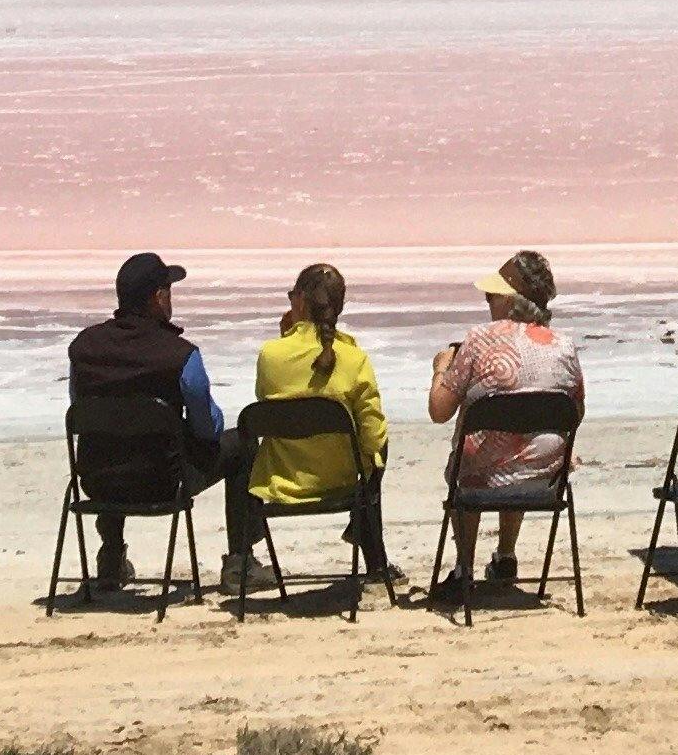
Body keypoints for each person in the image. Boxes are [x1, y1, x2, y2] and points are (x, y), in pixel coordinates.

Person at [222, 261, 395, 600]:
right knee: (378, 446)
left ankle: (242, 555)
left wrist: (285, 337)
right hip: (343, 482)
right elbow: (373, 436)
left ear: (299, 301)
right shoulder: (354, 358)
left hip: (281, 482)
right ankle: (374, 560)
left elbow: (266, 402)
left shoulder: (271, 355)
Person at [426, 249, 582, 600]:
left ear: (511, 301)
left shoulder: (479, 339)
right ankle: (506, 556)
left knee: (483, 449)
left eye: (492, 295)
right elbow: (576, 412)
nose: (487, 301)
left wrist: (442, 367)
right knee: (522, 442)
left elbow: (439, 411)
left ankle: (464, 566)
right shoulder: (564, 345)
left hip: (480, 483)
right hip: (543, 482)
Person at [66, 249, 222, 593]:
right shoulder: (180, 353)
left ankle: (110, 557)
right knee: (241, 446)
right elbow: (207, 428)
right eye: (169, 291)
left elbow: (79, 408)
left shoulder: (84, 346)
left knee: (112, 438)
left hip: (97, 479)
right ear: (158, 297)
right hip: (160, 481)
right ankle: (241, 561)